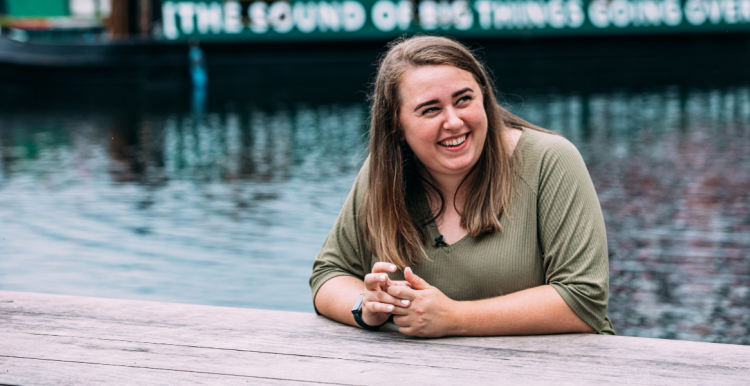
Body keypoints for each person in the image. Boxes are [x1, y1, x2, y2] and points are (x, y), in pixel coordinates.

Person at [309, 36, 615, 338]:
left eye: (463, 99)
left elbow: (584, 299)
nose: (453, 121)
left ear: (484, 98)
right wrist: (367, 306)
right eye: (430, 109)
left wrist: (454, 318)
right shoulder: (383, 172)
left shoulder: (551, 159)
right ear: (397, 126)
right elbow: (328, 274)